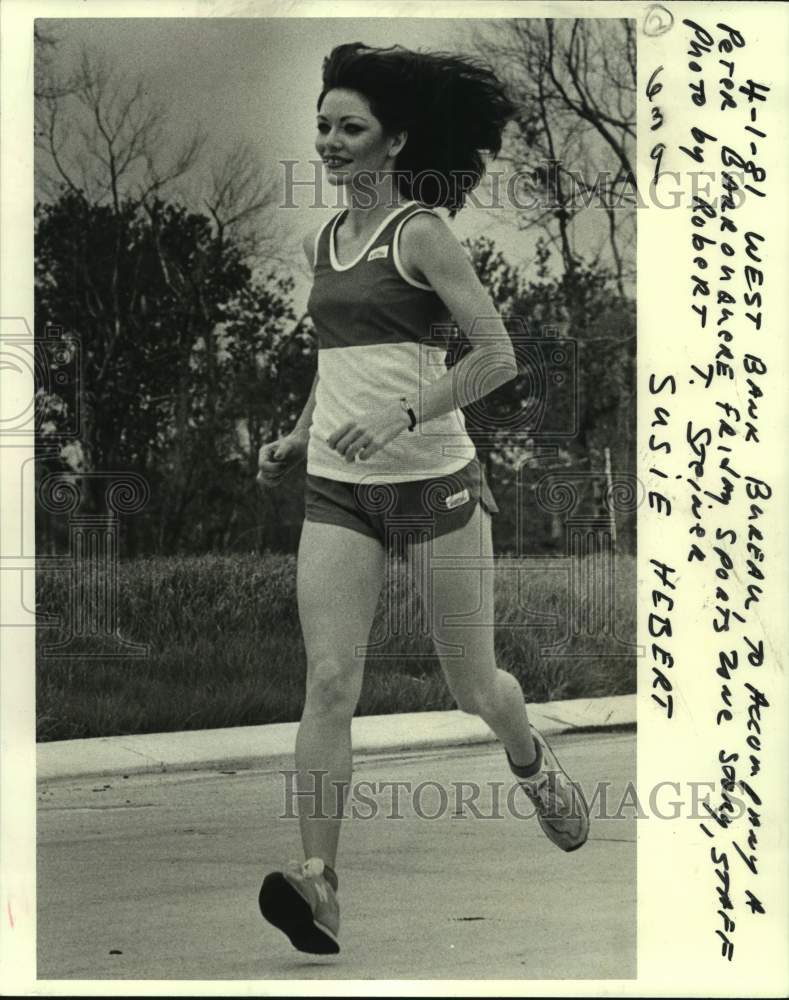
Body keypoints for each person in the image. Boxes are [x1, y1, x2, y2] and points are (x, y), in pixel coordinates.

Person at [255, 41, 589, 956]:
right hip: (337, 489)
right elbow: (339, 363)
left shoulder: (421, 234)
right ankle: (318, 883)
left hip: (433, 485)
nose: (328, 143)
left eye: (349, 129)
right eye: (321, 126)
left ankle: (529, 760)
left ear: (394, 141)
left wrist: (405, 413)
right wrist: (298, 431)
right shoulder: (323, 241)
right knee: (328, 681)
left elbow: (495, 356)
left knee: (473, 685)